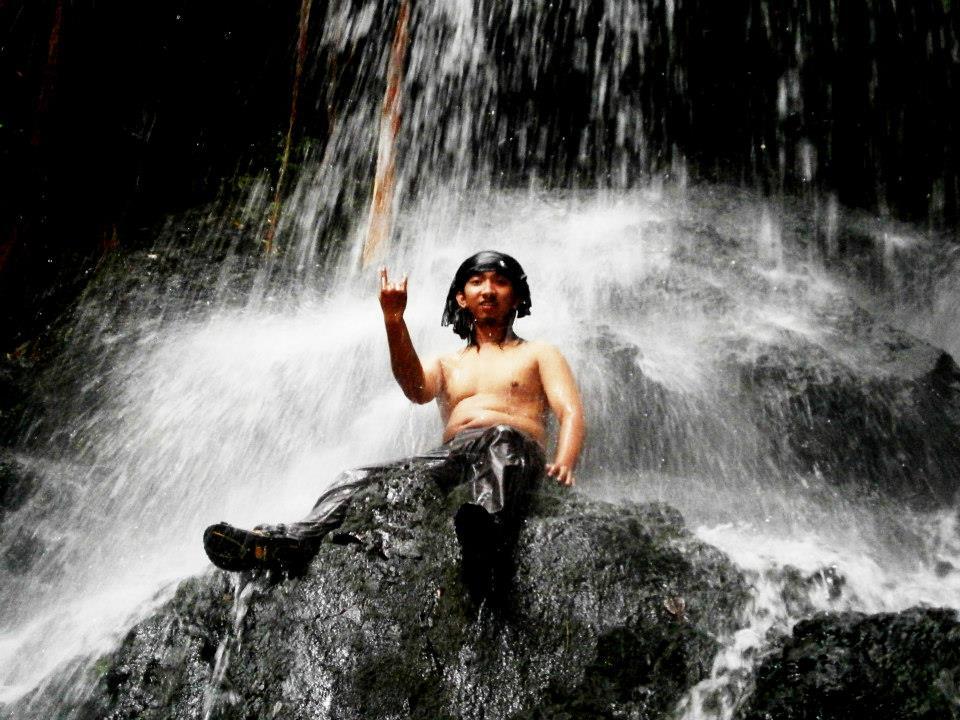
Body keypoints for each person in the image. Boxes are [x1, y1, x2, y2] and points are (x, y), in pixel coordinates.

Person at [203, 251, 585, 597]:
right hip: (455, 453)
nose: (488, 290)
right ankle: (293, 541)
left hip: (515, 449)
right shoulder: (448, 363)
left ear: (517, 297)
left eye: (500, 282)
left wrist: (564, 461)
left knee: (503, 439)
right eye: (477, 282)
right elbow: (416, 388)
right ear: (461, 298)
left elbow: (569, 411)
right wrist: (393, 319)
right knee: (355, 476)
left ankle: (488, 540)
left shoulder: (539, 353)